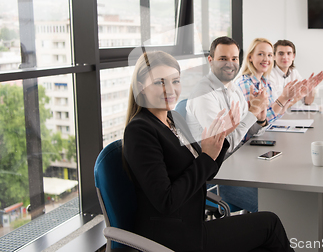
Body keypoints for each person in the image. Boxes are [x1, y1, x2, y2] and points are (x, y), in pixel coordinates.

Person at [122, 50, 295, 252]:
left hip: (192, 224)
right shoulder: (140, 130)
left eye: (175, 81)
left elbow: (206, 170)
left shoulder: (173, 119)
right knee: (269, 225)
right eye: (160, 82)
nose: (170, 89)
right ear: (142, 87)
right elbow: (166, 201)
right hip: (172, 237)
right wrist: (206, 156)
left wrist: (220, 141)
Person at [186, 36, 268, 213]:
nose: (230, 64)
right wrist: (252, 113)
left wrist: (259, 118)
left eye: (234, 58)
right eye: (223, 59)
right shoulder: (203, 94)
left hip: (239, 165)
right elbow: (225, 146)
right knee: (276, 202)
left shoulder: (233, 87)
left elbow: (243, 133)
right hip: (219, 176)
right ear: (210, 60)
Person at [235, 38, 320, 124]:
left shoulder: (264, 82)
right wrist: (286, 98)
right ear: (250, 57)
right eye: (261, 54)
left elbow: (274, 111)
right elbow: (257, 122)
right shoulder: (245, 83)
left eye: (269, 55)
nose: (266, 59)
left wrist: (307, 90)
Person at [269, 39, 323, 105]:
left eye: (289, 53)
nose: (285, 57)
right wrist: (301, 94)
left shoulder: (294, 72)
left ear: (293, 56)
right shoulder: (269, 74)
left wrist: (311, 88)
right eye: (281, 53)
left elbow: (307, 101)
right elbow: (276, 106)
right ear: (274, 56)